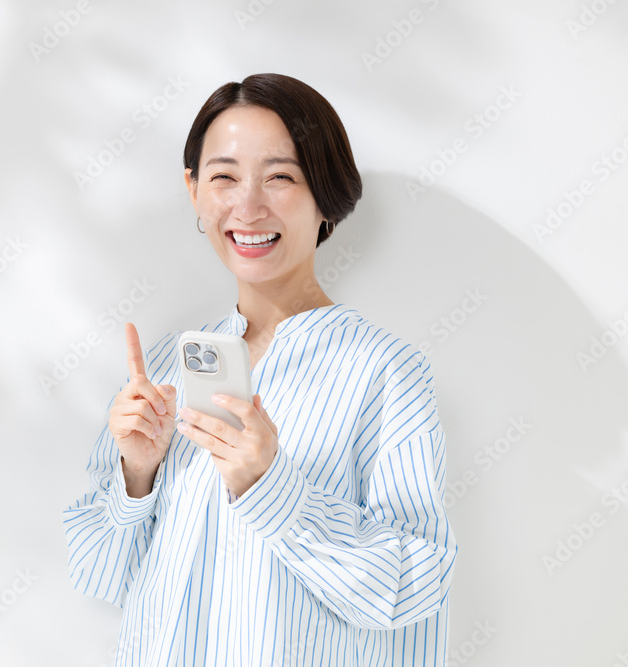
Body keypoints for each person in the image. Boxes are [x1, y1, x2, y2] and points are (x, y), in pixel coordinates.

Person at [64, 73, 456, 666]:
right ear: (194, 190)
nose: (248, 207)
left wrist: (271, 488)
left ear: (325, 193)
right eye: (224, 177)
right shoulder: (168, 365)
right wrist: (137, 474)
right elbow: (100, 576)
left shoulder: (384, 370)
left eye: (280, 177)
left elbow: (414, 586)